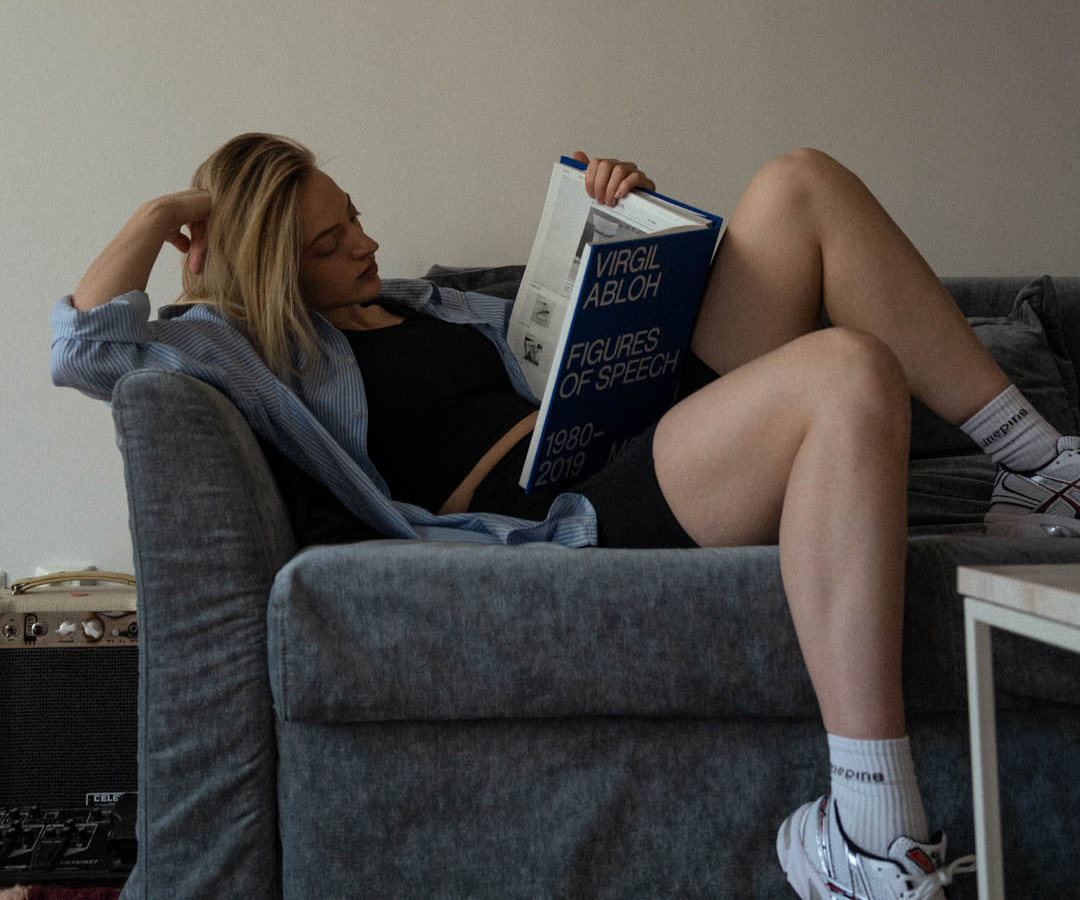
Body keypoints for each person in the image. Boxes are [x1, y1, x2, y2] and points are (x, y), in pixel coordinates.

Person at [51, 133, 1080, 900]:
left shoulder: (434, 309)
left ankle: (1044, 469)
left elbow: (573, 348)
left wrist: (628, 227)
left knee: (801, 182)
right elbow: (86, 347)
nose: (368, 244)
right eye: (330, 242)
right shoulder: (261, 351)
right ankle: (870, 834)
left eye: (356, 216)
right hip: (577, 507)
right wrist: (168, 211)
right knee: (848, 371)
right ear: (274, 263)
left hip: (634, 426)